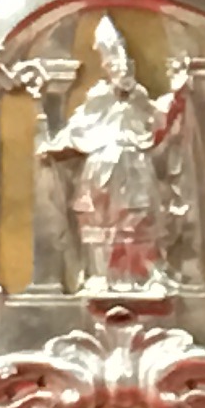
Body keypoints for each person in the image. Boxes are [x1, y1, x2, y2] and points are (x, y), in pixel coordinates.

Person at [39, 22, 187, 297]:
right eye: (117, 66)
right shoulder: (99, 97)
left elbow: (155, 122)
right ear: (108, 68)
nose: (124, 71)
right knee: (101, 223)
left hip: (135, 166)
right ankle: (103, 277)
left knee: (140, 218)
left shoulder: (139, 97)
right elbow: (80, 126)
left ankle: (140, 276)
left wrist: (176, 98)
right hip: (101, 167)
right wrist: (56, 146)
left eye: (127, 66)